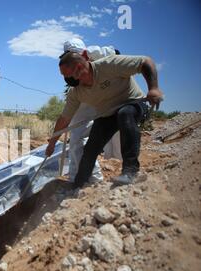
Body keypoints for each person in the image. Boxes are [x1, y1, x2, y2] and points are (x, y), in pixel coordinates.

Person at [46, 52, 163, 186]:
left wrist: (153, 88)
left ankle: (130, 171)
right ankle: (79, 183)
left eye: (66, 75)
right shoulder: (76, 92)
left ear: (78, 68)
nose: (65, 79)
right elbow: (64, 119)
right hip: (108, 114)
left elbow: (146, 61)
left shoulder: (109, 65)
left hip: (134, 103)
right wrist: (52, 144)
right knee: (91, 148)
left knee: (124, 114)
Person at [62, 38, 122, 184]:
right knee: (76, 137)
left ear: (83, 52)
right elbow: (72, 82)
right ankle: (75, 177)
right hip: (84, 96)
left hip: (105, 95)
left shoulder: (96, 53)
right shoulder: (68, 66)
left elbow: (118, 54)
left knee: (118, 135)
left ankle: (96, 181)